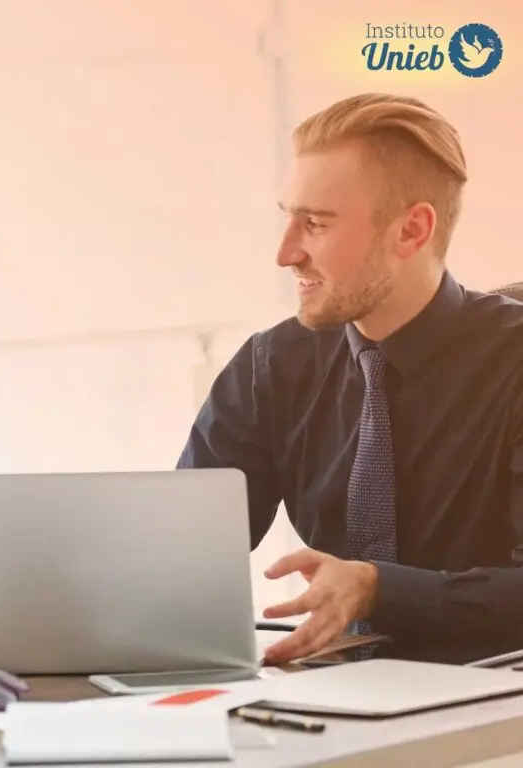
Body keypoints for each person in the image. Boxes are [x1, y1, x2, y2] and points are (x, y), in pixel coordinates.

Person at [178, 93, 523, 666]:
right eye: (288, 218)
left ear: (411, 231)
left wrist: (377, 587)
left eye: (315, 224)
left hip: (497, 706)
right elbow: (180, 548)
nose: (285, 253)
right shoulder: (272, 367)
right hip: (334, 699)